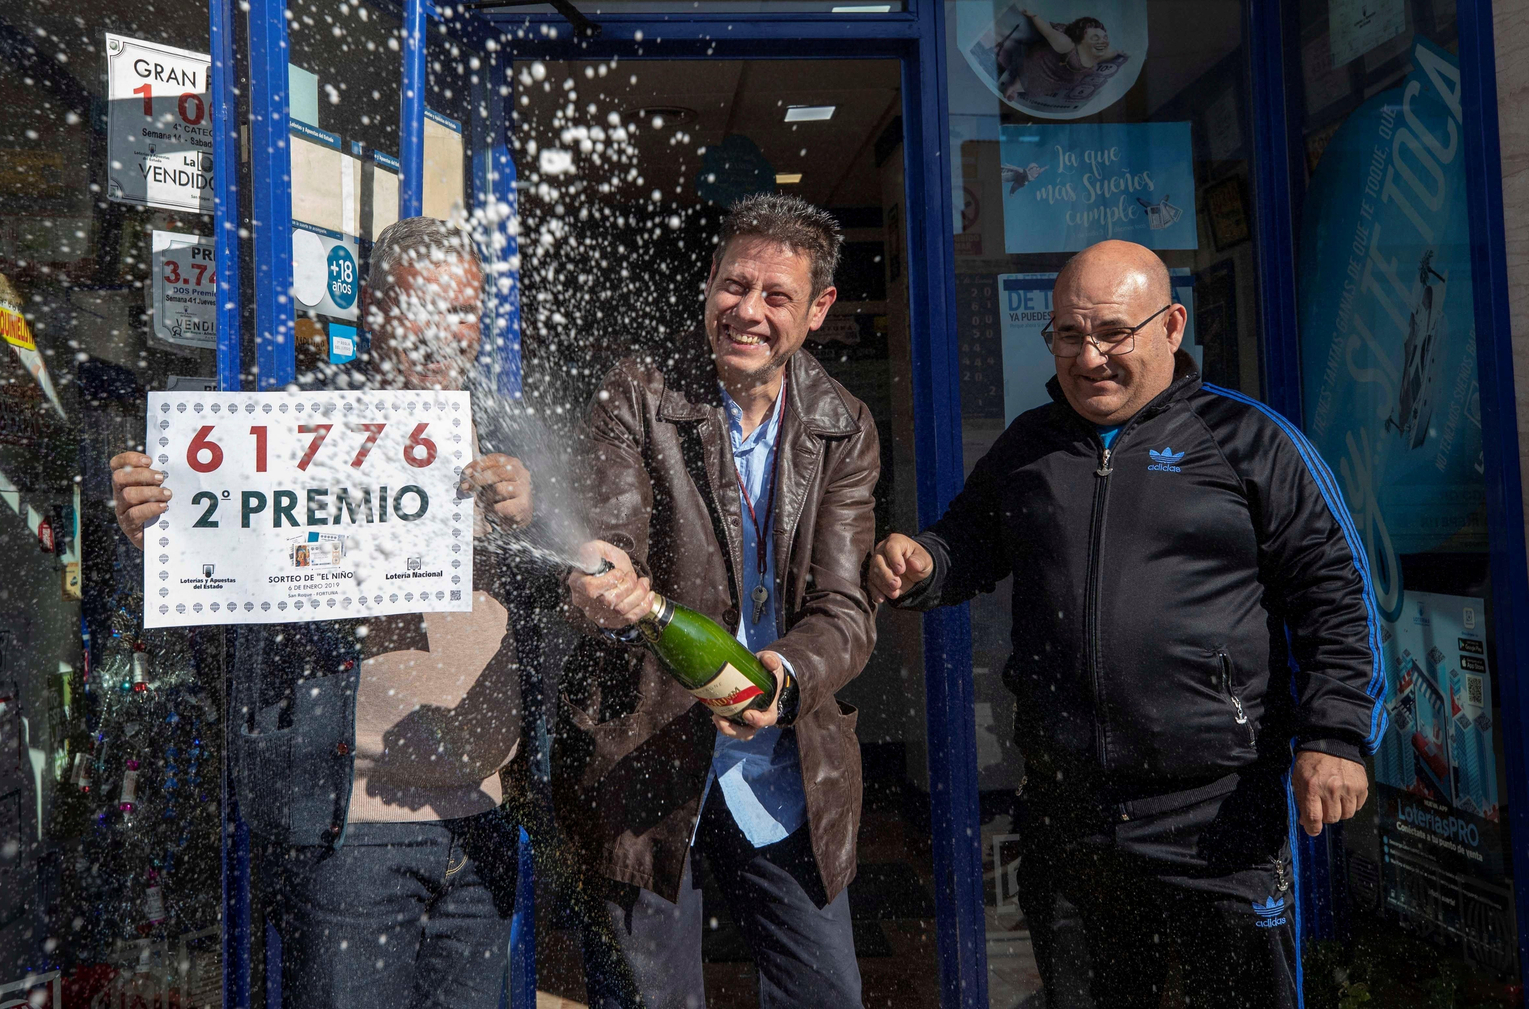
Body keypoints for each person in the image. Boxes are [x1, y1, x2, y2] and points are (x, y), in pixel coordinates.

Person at [869, 240, 1384, 1009]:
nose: (1089, 356)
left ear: (1171, 325)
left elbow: (1336, 594)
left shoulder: (1250, 440)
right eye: (1069, 336)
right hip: (1068, 819)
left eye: (1113, 332)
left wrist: (1336, 736)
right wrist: (922, 564)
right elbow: (967, 543)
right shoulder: (1029, 447)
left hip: (1218, 818)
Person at [110, 217, 533, 1009]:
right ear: (372, 308)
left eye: (463, 313)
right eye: (421, 311)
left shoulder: (509, 435)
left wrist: (532, 513)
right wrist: (152, 528)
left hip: (480, 825)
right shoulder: (293, 427)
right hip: (351, 828)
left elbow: (571, 596)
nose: (444, 337)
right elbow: (217, 575)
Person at [560, 193, 880, 1008]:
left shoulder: (845, 424)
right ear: (708, 283)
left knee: (828, 996)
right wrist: (605, 580)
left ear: (817, 310)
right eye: (734, 285)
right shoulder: (640, 390)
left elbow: (845, 610)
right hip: (647, 758)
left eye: (776, 296)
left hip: (787, 768)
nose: (748, 311)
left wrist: (784, 677)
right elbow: (613, 532)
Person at [1002, 11, 1130, 109]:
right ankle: (1013, 87)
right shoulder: (1067, 45)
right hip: (1040, 68)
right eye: (1095, 38)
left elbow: (1107, 55)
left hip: (1051, 83)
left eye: (1104, 38)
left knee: (1029, 88)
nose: (1102, 41)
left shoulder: (1096, 56)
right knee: (1022, 81)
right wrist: (1033, 15)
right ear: (1081, 39)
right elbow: (1048, 32)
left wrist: (1118, 53)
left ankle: (1016, 89)